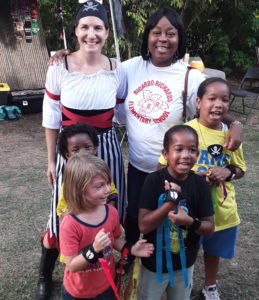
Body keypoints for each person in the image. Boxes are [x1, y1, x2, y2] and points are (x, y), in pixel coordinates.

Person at [49, 7, 243, 272]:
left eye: (171, 33)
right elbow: (97, 65)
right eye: (156, 33)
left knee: (174, 217)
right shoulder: (128, 68)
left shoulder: (190, 76)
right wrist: (66, 56)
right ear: (147, 37)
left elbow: (213, 102)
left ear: (179, 38)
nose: (163, 39)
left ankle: (174, 265)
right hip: (139, 166)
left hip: (176, 169)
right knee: (134, 216)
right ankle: (130, 258)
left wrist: (235, 123)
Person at [36, 1, 127, 299]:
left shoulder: (116, 68)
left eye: (98, 27)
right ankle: (45, 276)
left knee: (106, 205)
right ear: (75, 30)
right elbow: (51, 119)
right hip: (70, 153)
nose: (92, 34)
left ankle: (110, 264)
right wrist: (51, 161)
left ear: (106, 31)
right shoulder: (58, 66)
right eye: (85, 27)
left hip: (106, 150)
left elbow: (124, 112)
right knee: (62, 212)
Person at [158, 78, 246, 300]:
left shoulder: (231, 137)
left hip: (222, 209)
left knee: (213, 249)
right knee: (183, 247)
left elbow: (240, 169)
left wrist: (228, 172)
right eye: (212, 98)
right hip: (189, 208)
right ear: (198, 102)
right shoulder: (185, 131)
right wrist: (190, 179)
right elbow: (162, 166)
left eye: (224, 100)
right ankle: (178, 287)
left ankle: (210, 286)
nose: (218, 104)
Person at [59, 153, 154, 299]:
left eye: (107, 183)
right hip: (79, 292)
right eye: (99, 186)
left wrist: (130, 248)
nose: (107, 189)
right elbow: (71, 265)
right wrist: (93, 249)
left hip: (107, 284)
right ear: (80, 190)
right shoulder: (70, 224)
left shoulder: (110, 212)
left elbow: (114, 239)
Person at [136, 125, 214, 300]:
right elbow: (143, 226)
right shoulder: (153, 181)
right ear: (165, 154)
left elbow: (209, 228)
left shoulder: (200, 185)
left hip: (185, 264)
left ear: (198, 154)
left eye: (192, 150)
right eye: (179, 149)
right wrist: (169, 203)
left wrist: (189, 222)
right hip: (153, 264)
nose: (186, 155)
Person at [57, 123, 118, 220]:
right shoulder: (70, 181)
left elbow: (112, 194)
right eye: (75, 150)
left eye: (87, 147)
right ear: (68, 155)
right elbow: (62, 210)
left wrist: (108, 209)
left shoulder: (102, 174)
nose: (83, 153)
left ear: (95, 149)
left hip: (102, 221)